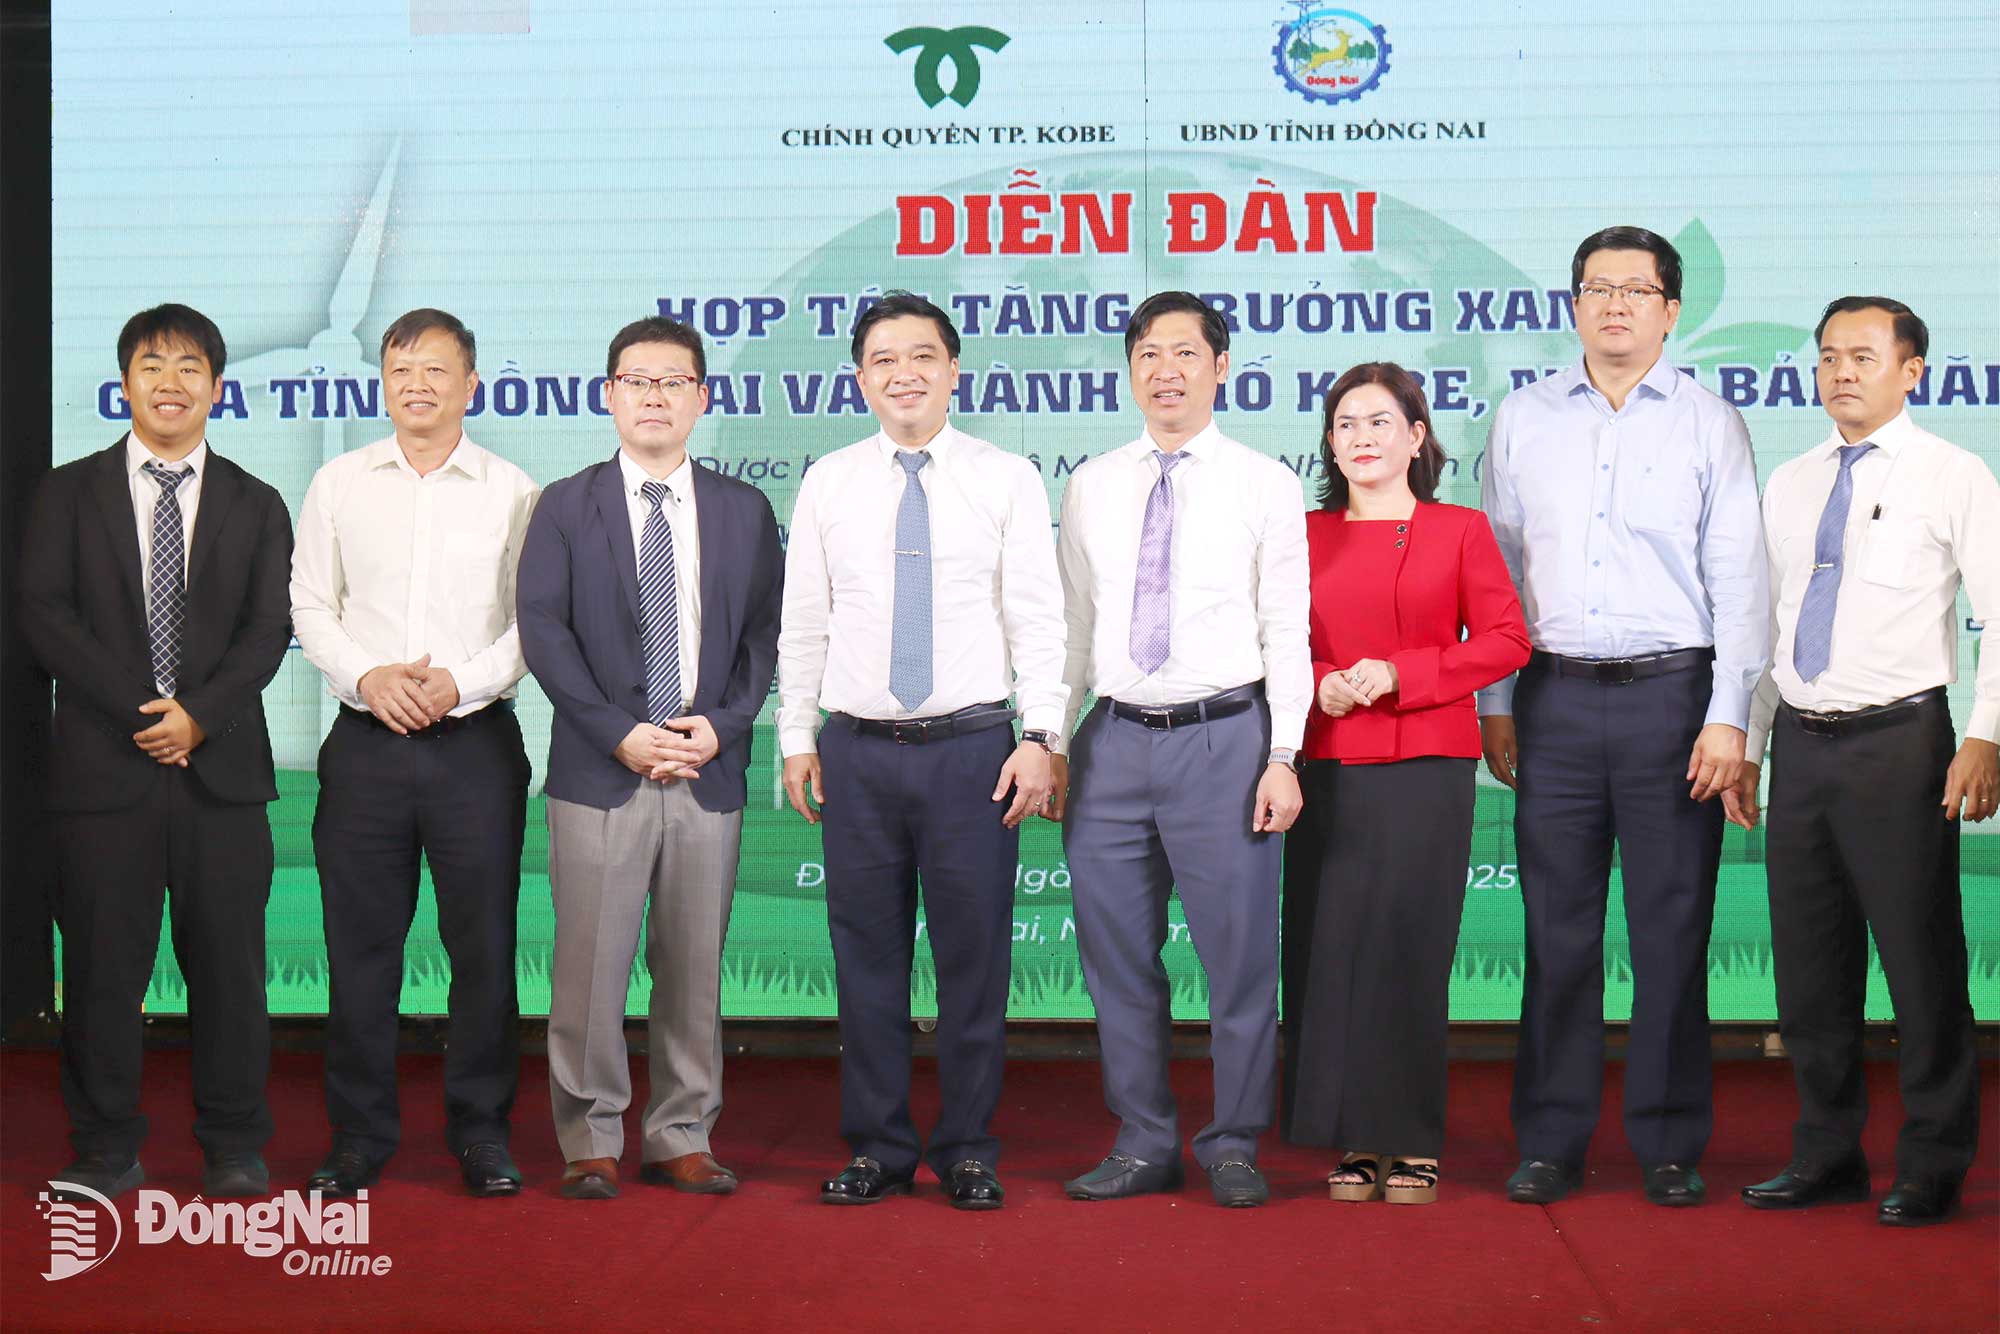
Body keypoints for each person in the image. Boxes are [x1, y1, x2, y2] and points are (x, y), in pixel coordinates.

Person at [1478, 226, 1770, 1207]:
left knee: (1669, 928)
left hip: (1672, 702)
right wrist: (1495, 701)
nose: (1613, 305)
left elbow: (1738, 579)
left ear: (1668, 308)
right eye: (1594, 288)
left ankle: (1667, 1139)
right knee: (1554, 933)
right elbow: (1497, 573)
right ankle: (1549, 1138)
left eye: (1634, 290)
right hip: (1550, 699)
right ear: (1570, 304)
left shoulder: (1707, 422)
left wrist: (1729, 716)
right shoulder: (1520, 417)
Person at [776, 291, 1066, 1210]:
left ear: (954, 369)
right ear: (860, 376)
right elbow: (804, 624)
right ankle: (879, 1146)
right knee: (865, 956)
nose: (904, 373)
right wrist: (794, 736)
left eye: (922, 356)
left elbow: (1038, 619)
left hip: (973, 750)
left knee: (974, 958)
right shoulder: (828, 480)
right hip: (857, 752)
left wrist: (1041, 736)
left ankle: (970, 1147)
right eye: (883, 359)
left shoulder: (1006, 476)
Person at [1727, 297, 1996, 1227]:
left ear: (1912, 369)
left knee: (1921, 966)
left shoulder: (1955, 475)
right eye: (1829, 356)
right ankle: (1827, 1151)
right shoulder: (1793, 481)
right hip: (1802, 742)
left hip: (1902, 744)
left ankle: (1932, 1160)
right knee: (1809, 968)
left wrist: (1987, 735)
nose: (1843, 372)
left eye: (1865, 356)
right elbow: (1770, 627)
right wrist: (1751, 746)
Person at [22, 304, 294, 1201]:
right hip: (104, 773)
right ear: (124, 382)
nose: (170, 382)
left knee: (231, 970)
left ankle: (233, 1144)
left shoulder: (257, 503)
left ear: (218, 386)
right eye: (151, 365)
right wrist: (150, 712)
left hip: (220, 777)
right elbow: (44, 616)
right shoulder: (67, 492)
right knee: (102, 968)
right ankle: (104, 1146)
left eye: (189, 367)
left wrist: (199, 719)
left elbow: (266, 632)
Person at [1052, 290, 1310, 1208]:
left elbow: (1287, 630)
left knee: (1239, 960)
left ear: (1221, 367)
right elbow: (1075, 628)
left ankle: (1233, 1141)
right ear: (1129, 372)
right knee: (1117, 957)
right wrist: (1048, 736)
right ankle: (1144, 1139)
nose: (1166, 370)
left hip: (1225, 742)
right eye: (1147, 355)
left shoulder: (1263, 482)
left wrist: (1284, 753)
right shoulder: (1091, 483)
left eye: (1185, 353)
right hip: (1113, 743)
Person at [517, 316, 783, 1200]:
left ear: (703, 398)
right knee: (590, 965)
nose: (656, 396)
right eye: (638, 380)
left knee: (694, 962)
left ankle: (679, 1132)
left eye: (674, 381)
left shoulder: (743, 509)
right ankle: (589, 1134)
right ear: (609, 395)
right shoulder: (565, 503)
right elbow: (545, 632)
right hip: (603, 769)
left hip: (707, 768)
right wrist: (616, 731)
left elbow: (762, 638)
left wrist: (725, 725)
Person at [290, 308, 540, 1198]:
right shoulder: (339, 483)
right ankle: (358, 1136)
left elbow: (531, 622)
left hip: (475, 747)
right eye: (401, 370)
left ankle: (481, 1132)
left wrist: (459, 684)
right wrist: (369, 679)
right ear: (383, 383)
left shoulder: (514, 488)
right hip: (365, 749)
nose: (418, 385)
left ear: (473, 384)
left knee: (483, 947)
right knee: (360, 949)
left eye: (437, 370)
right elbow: (312, 605)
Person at [1282, 363, 1529, 1205]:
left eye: (1380, 422)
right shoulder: (1304, 534)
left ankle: (1413, 1140)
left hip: (1429, 764)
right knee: (1336, 950)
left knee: (1412, 950)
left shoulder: (1459, 529)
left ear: (1418, 438)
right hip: (1330, 764)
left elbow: (1504, 640)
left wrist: (1405, 673)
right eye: (1345, 423)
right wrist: (1320, 681)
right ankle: (1354, 1138)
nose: (1361, 438)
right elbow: (1274, 641)